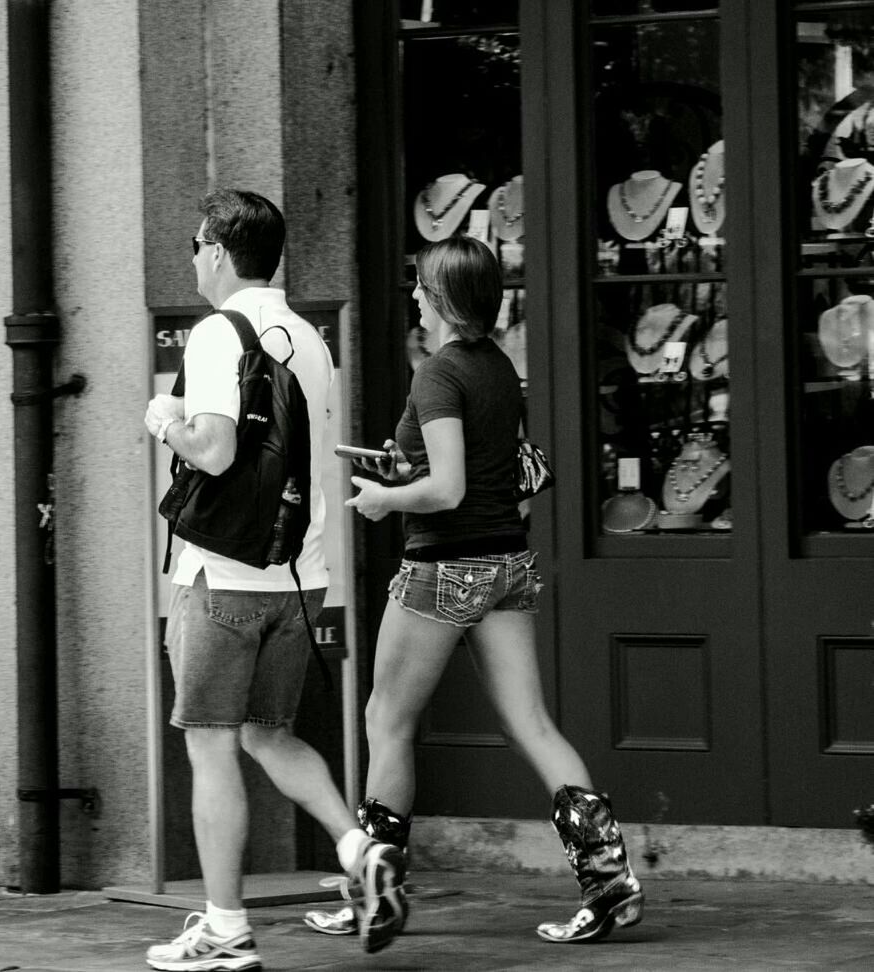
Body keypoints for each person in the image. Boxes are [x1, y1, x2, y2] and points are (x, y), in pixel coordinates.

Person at [305, 235, 643, 945]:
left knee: (386, 721)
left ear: (440, 299)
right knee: (533, 724)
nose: (415, 299)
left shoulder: (437, 375)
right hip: (507, 564)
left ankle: (376, 892)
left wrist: (383, 500)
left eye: (421, 289)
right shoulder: (496, 367)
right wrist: (407, 471)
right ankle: (609, 882)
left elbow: (450, 487)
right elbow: (493, 476)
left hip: (445, 566)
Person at [142, 188, 405, 971]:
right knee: (268, 733)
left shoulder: (219, 334)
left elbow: (215, 450)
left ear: (219, 250)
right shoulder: (308, 338)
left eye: (196, 245)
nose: (193, 258)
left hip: (221, 577)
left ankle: (226, 928)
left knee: (212, 747)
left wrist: (164, 418)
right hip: (301, 575)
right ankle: (360, 850)